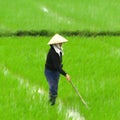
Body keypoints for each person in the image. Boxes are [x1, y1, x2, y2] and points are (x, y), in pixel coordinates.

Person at [44, 34, 71, 105]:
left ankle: (52, 101)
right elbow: (57, 66)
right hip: (49, 71)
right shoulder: (53, 52)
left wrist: (60, 67)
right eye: (60, 43)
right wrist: (66, 74)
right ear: (56, 43)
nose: (61, 44)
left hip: (56, 71)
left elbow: (58, 64)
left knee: (55, 87)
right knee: (52, 85)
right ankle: (51, 102)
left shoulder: (59, 51)